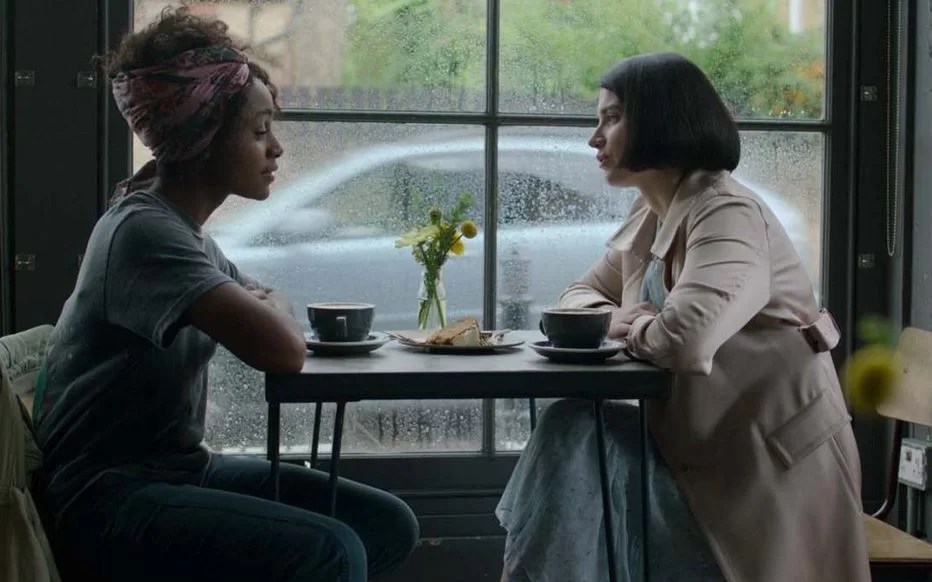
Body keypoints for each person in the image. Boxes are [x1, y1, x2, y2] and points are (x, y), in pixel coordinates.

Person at [34, 9, 418, 582]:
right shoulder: (145, 233)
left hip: (179, 471)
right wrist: (275, 310)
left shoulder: (182, 232)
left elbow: (264, 306)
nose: (276, 148)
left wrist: (272, 308)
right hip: (103, 498)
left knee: (384, 524)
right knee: (333, 552)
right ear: (203, 137)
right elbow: (282, 348)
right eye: (260, 131)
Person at [496, 52, 869, 582]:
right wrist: (614, 319)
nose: (595, 138)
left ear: (662, 120)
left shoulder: (728, 213)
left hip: (762, 459)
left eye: (612, 118)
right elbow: (576, 296)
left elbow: (686, 341)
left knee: (572, 428)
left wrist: (628, 326)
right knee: (569, 426)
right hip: (693, 442)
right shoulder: (652, 211)